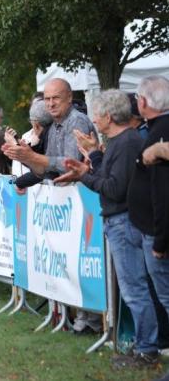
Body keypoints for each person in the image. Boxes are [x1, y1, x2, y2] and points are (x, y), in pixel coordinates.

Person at [53, 90, 156, 368]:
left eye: (96, 115)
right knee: (135, 289)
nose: (93, 121)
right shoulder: (123, 142)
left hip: (124, 223)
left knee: (134, 289)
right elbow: (111, 181)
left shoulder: (125, 143)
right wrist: (94, 159)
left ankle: (146, 349)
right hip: (124, 221)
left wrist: (84, 174)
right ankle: (144, 345)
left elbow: (113, 188)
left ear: (108, 117)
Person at [2, 78, 100, 333]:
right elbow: (44, 169)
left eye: (56, 98)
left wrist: (34, 157)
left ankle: (89, 320)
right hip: (60, 204)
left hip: (81, 202)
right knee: (64, 262)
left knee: (82, 263)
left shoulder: (77, 121)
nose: (51, 103)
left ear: (69, 98)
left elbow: (69, 162)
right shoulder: (53, 125)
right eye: (46, 99)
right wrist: (25, 156)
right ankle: (73, 316)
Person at [127, 76, 169, 349]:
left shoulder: (159, 133)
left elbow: (163, 193)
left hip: (157, 234)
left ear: (142, 102)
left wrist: (160, 239)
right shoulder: (157, 131)